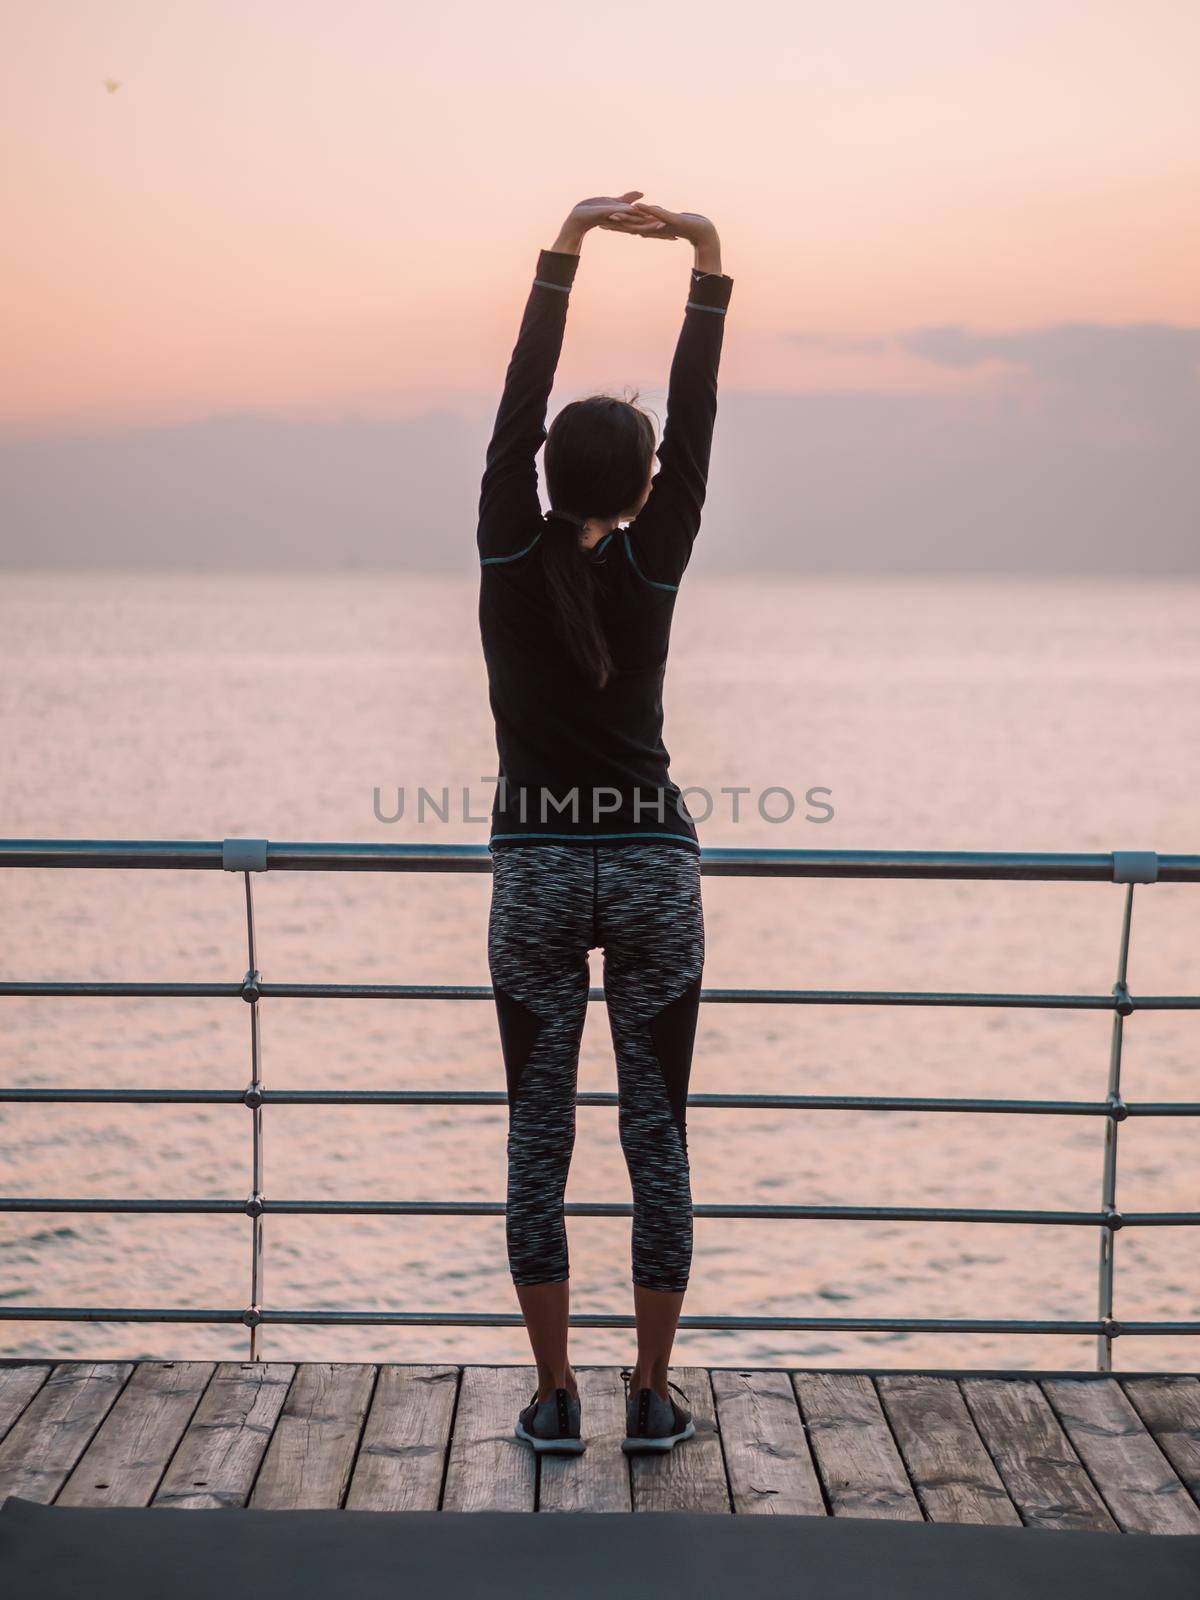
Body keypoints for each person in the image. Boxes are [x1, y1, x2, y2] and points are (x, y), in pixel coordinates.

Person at [477, 192, 733, 1456]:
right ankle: (649, 1394)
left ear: (537, 476)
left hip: (532, 871)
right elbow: (699, 421)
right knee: (656, 1133)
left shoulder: (504, 551)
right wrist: (707, 262)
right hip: (648, 870)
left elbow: (521, 396)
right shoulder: (657, 553)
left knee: (539, 1134)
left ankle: (554, 1397)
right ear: (640, 493)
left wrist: (566, 246)